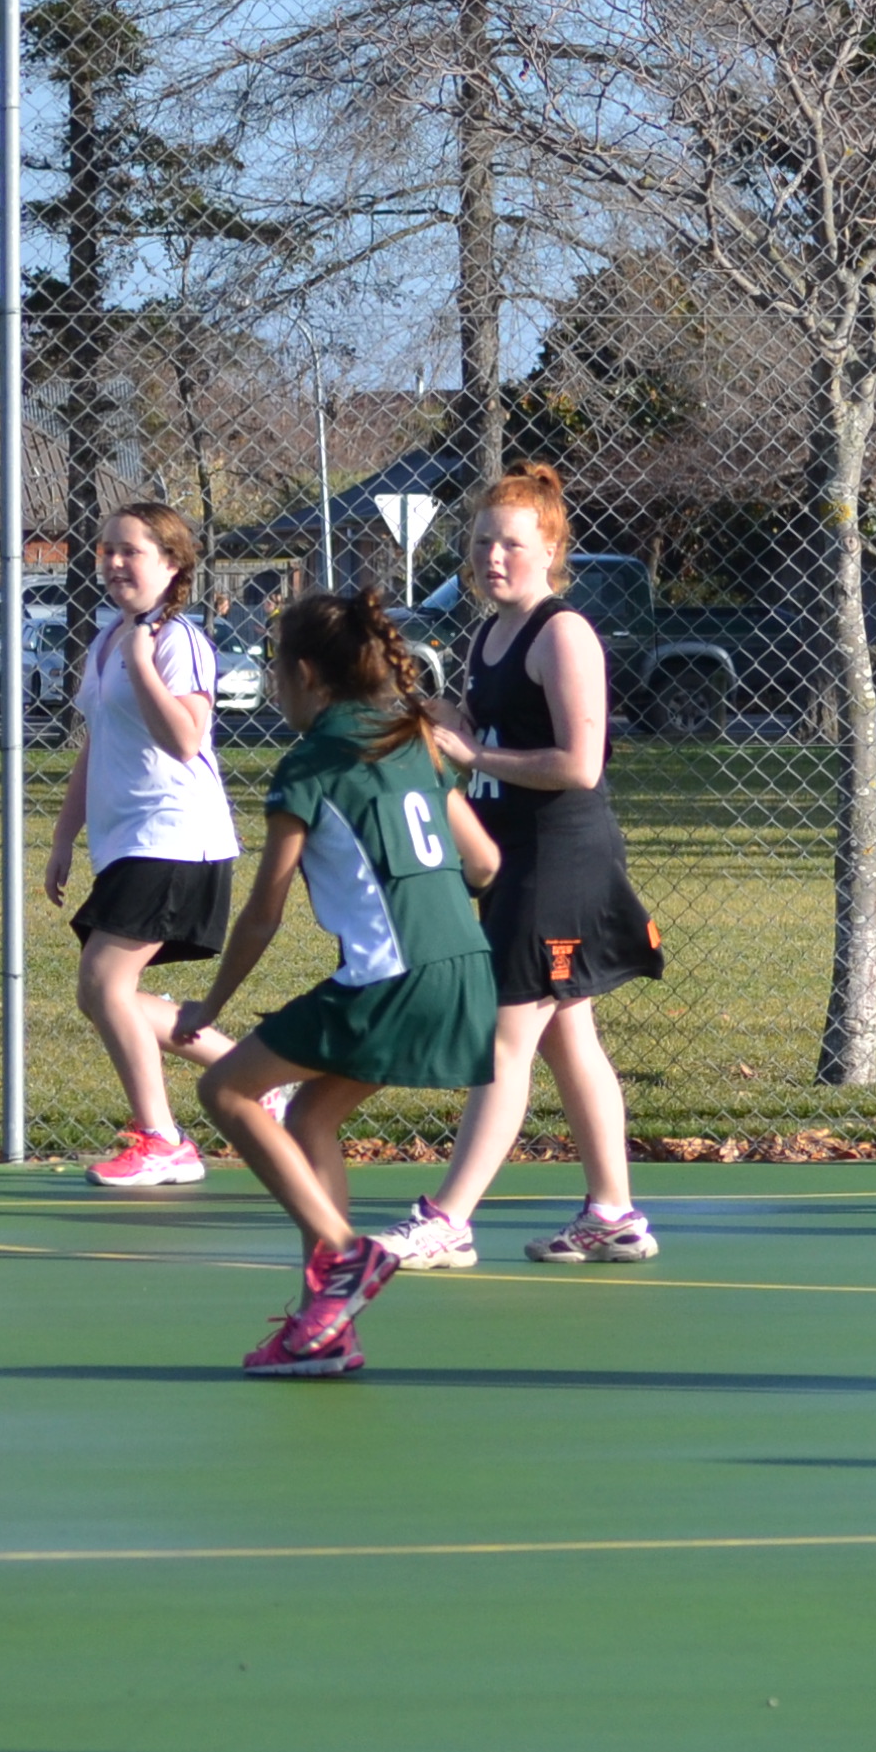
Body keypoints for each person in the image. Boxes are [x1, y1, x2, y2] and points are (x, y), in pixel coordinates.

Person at [193, 594, 504, 1381]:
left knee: (226, 1089)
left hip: (390, 978)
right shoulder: (416, 740)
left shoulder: (311, 766)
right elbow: (484, 864)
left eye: (274, 670)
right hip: (466, 970)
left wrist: (212, 1006)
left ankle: (341, 1256)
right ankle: (322, 1326)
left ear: (305, 674)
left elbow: (262, 915)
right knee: (310, 1115)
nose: (273, 686)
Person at [376, 467, 669, 1270]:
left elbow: (579, 763)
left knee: (503, 1040)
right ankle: (613, 1214)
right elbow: (475, 727)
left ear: (550, 550)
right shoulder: (486, 634)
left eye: (510, 542)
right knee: (569, 1035)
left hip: (561, 861)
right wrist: (415, 708)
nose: (492, 556)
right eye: (481, 542)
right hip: (514, 861)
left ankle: (448, 1219)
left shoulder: (563, 634)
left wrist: (474, 755)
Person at [42, 504, 242, 1190]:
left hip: (178, 837)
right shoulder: (107, 640)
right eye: (108, 550)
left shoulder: (177, 641)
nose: (115, 562)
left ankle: (163, 1141)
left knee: (103, 984)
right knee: (107, 994)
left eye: (131, 551)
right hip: (129, 844)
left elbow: (186, 738)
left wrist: (141, 663)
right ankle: (252, 1076)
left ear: (172, 564)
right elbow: (96, 744)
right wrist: (65, 836)